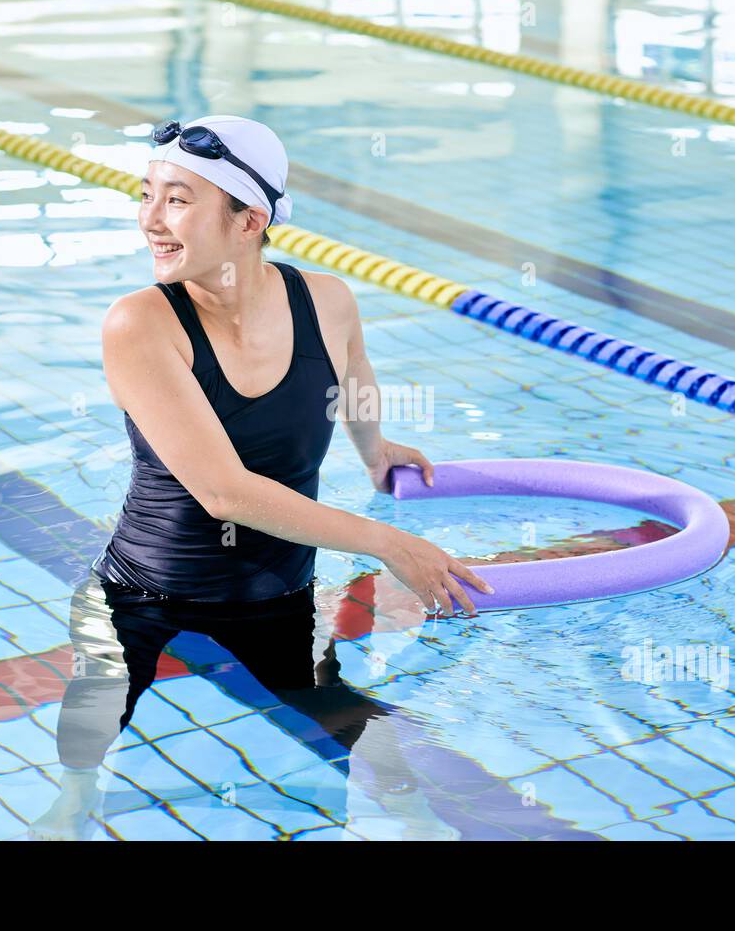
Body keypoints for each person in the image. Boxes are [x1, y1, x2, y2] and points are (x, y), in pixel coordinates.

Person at [32, 115, 491, 839]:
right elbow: (225, 491)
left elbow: (354, 381)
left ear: (249, 219)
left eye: (177, 199)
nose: (150, 219)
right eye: (146, 195)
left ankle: (419, 823)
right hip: (148, 589)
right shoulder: (139, 324)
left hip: (279, 590)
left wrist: (376, 451)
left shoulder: (328, 301)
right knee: (97, 708)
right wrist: (388, 543)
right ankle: (74, 792)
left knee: (350, 723)